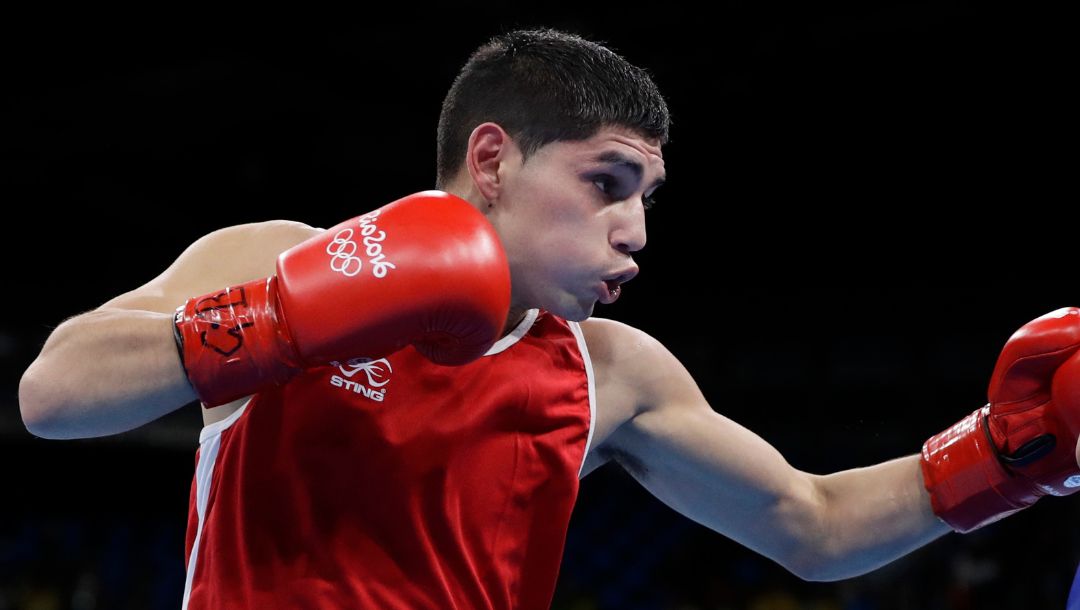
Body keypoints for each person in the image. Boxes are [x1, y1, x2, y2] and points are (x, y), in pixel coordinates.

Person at [17, 27, 1080, 610]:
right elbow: (53, 395)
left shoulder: (609, 372)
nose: (635, 232)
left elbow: (815, 522)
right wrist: (293, 315)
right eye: (605, 184)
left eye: (646, 201)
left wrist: (1007, 454)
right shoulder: (275, 258)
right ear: (493, 160)